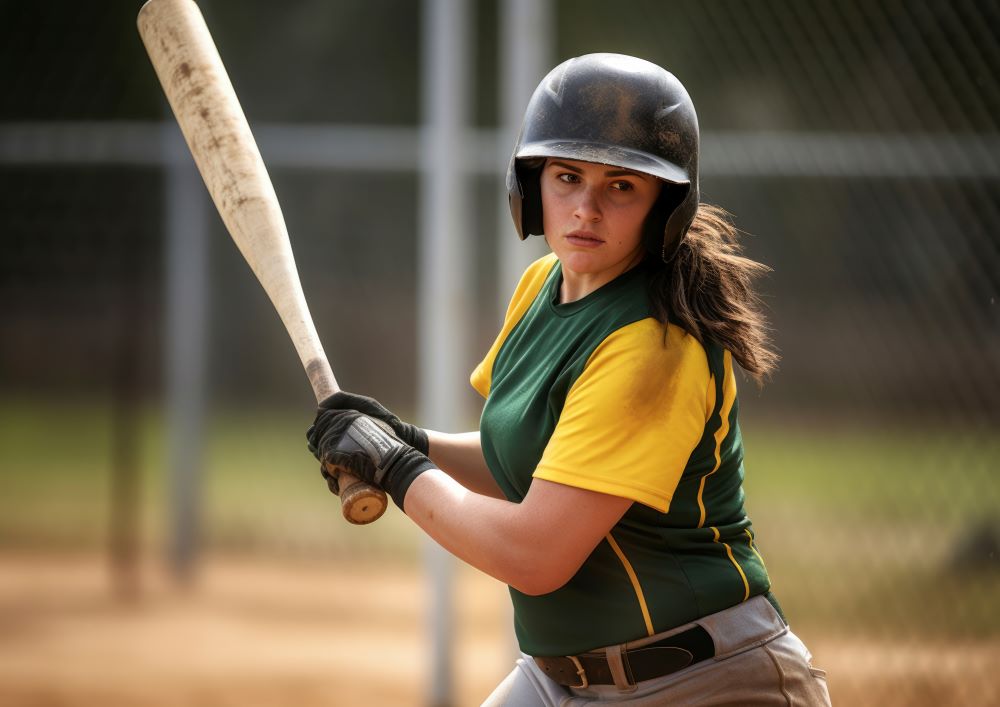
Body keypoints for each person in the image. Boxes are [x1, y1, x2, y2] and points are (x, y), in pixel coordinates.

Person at [307, 53, 831, 706]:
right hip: (562, 678)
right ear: (531, 186)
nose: (585, 208)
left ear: (665, 206)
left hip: (704, 680)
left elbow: (534, 555)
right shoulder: (541, 285)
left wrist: (396, 469)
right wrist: (409, 441)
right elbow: (537, 467)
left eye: (621, 186)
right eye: (567, 176)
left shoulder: (654, 345)